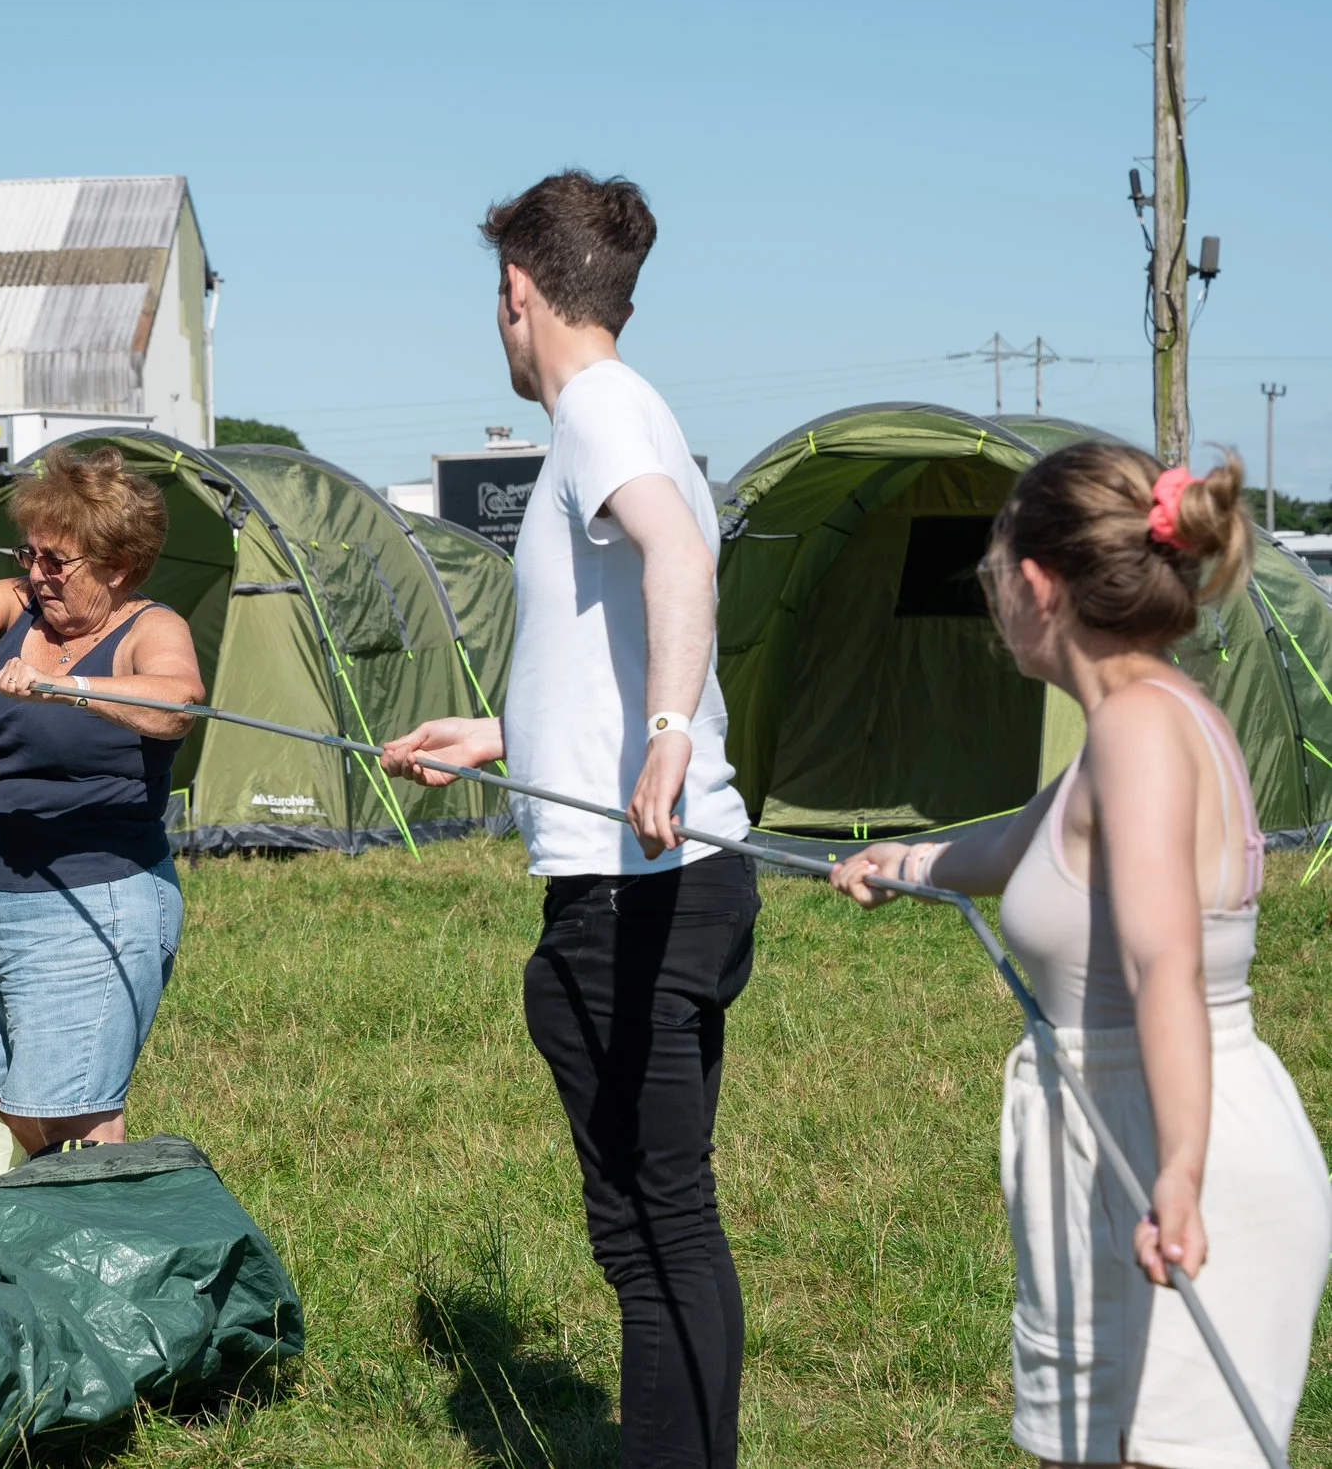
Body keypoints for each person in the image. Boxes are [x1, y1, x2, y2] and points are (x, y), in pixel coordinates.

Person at [830, 444, 1331, 1469]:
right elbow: (1016, 848)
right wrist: (902, 862)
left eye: (991, 573)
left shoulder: (1139, 729)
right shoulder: (1135, 719)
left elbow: (1163, 965)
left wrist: (1179, 1170)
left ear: (1035, 582)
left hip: (1170, 1149)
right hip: (1119, 1135)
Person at [381, 171, 758, 1469]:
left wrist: (669, 732)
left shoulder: (597, 406)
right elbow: (613, 635)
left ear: (517, 293)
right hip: (667, 873)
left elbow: (679, 559)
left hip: (638, 884)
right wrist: (502, 735)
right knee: (660, 1224)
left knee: (658, 1232)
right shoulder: (630, 408)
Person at [0, 445, 204, 1154]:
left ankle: (108, 1223)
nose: (37, 573)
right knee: (12, 1108)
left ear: (117, 566)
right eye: (29, 554)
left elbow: (178, 703)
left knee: (80, 1119)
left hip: (95, 899)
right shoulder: (20, 602)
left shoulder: (150, 627)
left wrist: (68, 688)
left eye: (57, 561)